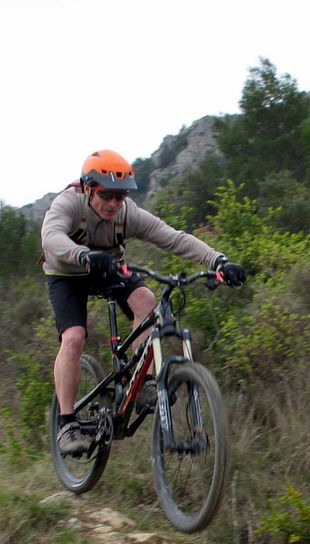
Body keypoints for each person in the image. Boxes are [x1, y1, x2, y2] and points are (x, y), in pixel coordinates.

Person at [41, 149, 246, 457]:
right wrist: (83, 255)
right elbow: (51, 238)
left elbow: (172, 237)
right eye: (106, 195)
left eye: (120, 196)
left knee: (147, 300)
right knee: (73, 338)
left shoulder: (127, 213)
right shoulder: (68, 203)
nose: (113, 204)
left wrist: (218, 260)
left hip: (109, 268)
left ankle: (143, 381)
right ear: (87, 188)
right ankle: (67, 423)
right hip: (67, 272)